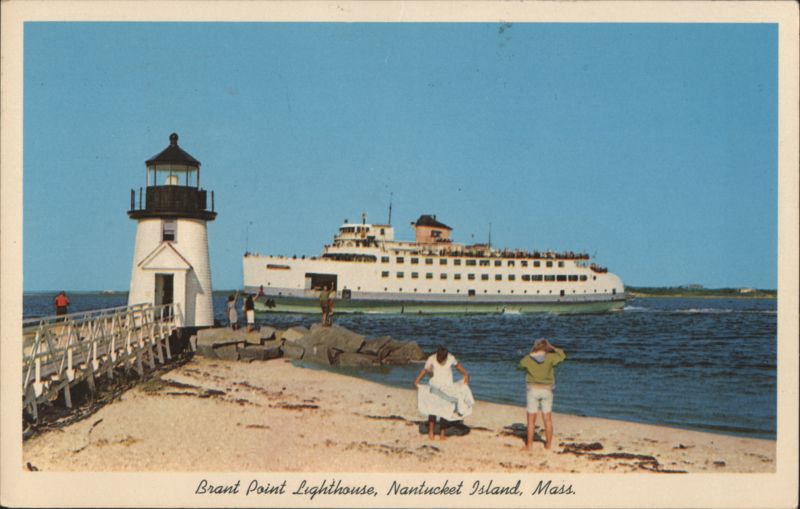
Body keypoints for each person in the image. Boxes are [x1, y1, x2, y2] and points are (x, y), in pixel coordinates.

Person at [414, 346, 473, 440]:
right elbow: (425, 370)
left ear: (446, 356)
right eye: (439, 358)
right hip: (435, 387)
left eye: (442, 358)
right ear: (437, 354)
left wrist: (465, 373)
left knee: (445, 411)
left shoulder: (450, 358)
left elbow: (458, 366)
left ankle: (442, 434)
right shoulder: (431, 358)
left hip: (447, 388)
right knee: (432, 410)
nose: (440, 360)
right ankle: (431, 433)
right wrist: (417, 381)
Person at [518, 338, 566, 451]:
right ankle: (548, 445)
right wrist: (553, 347)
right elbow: (563, 355)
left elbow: (519, 366)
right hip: (547, 390)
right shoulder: (551, 357)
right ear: (546, 347)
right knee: (547, 419)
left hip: (533, 390)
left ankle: (529, 445)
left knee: (531, 421)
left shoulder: (528, 358)